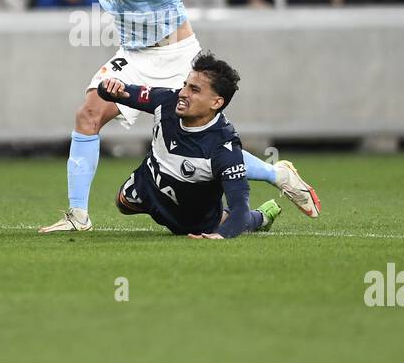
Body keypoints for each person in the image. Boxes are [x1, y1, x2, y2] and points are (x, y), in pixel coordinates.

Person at [36, 0, 318, 233]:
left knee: (201, 147)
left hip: (175, 53)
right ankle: (78, 217)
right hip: (135, 53)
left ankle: (276, 173)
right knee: (88, 113)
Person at [96, 53, 290, 239]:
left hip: (192, 219)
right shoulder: (166, 101)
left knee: (225, 221)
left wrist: (221, 236)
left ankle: (262, 216)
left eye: (194, 90)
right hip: (145, 185)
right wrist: (109, 87)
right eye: (185, 85)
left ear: (216, 102)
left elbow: (239, 208)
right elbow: (119, 92)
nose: (183, 93)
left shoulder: (225, 148)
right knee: (121, 203)